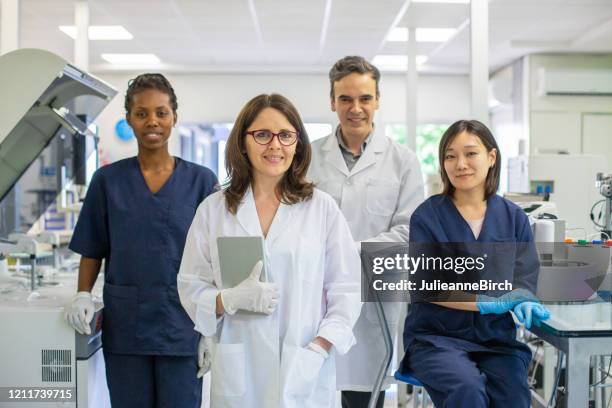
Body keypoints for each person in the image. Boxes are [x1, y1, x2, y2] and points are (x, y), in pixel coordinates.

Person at [177, 93, 362, 407]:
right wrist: (227, 300)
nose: (275, 145)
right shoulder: (214, 210)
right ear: (243, 142)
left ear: (298, 144)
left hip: (305, 364)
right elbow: (190, 285)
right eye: (262, 135)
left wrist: (320, 347)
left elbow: (347, 287)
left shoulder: (321, 208)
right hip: (241, 366)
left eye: (286, 135)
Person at [64, 73, 218, 407]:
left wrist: (211, 326)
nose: (152, 121)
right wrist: (82, 295)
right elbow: (92, 247)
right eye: (142, 113)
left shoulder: (202, 181)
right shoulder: (107, 181)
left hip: (182, 326)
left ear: (174, 117)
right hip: (126, 329)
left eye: (161, 112)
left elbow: (213, 256)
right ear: (129, 120)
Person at [399, 119, 550, 407]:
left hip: (496, 342)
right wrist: (484, 301)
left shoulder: (513, 217)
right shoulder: (427, 216)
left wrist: (524, 299)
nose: (460, 164)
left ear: (491, 158)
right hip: (436, 339)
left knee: (514, 397)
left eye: (470, 153)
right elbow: (427, 287)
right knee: (467, 391)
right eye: (450, 156)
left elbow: (524, 279)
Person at [307, 55, 424, 407]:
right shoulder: (307, 158)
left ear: (377, 100)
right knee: (314, 386)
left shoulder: (403, 161)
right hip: (319, 292)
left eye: (364, 98)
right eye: (345, 99)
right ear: (332, 102)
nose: (355, 108)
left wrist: (347, 249)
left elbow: (408, 232)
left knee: (363, 394)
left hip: (374, 295)